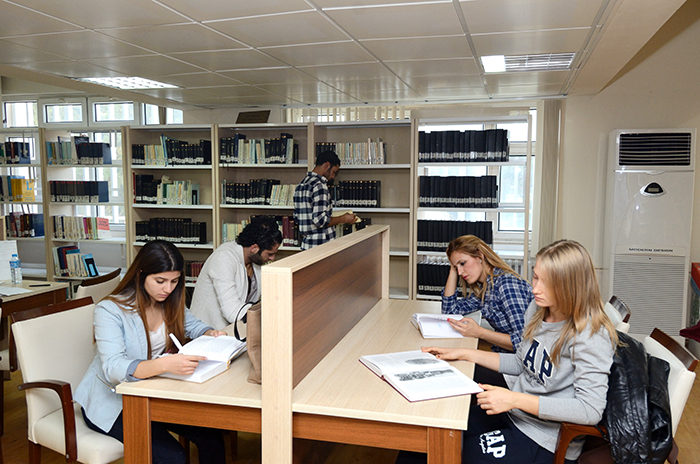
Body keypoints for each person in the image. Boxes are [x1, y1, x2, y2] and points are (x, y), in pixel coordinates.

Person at [421, 240, 619, 464]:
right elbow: (521, 362)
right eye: (535, 277)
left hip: (542, 437)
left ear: (570, 285)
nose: (535, 289)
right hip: (515, 414)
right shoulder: (538, 309)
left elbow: (590, 410)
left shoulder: (591, 335)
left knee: (446, 453)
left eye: (547, 282)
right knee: (429, 436)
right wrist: (464, 354)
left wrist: (514, 399)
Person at [74, 240, 227, 464]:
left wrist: (209, 332)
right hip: (112, 403)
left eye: (174, 281)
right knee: (174, 457)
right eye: (160, 281)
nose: (168, 289)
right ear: (141, 275)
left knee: (211, 437)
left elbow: (192, 325)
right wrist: (166, 364)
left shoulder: (168, 300)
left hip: (152, 393)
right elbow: (113, 368)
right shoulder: (110, 310)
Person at [442, 235, 533, 353]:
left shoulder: (506, 285)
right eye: (456, 267)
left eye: (463, 263)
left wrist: (479, 332)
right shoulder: (485, 288)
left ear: (480, 255)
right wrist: (452, 269)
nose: (459, 272)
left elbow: (524, 343)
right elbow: (449, 312)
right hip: (503, 353)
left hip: (521, 359)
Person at [190, 216, 282, 330]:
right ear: (254, 248)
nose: (272, 258)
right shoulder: (223, 259)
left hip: (235, 329)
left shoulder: (255, 260)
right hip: (210, 332)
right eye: (270, 254)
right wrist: (269, 312)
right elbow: (232, 312)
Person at [293, 150, 356, 249]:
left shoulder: (300, 185)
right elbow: (320, 220)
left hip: (306, 245)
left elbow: (297, 217)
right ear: (327, 165)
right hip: (322, 245)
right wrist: (343, 219)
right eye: (333, 172)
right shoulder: (320, 186)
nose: (333, 176)